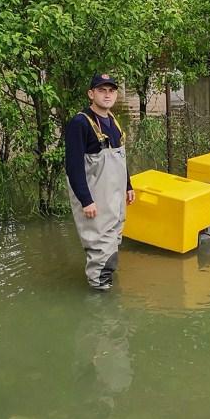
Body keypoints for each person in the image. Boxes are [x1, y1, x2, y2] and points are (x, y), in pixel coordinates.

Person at [65, 73, 135, 290]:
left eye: (111, 90)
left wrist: (128, 186)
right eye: (102, 90)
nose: (107, 95)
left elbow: (119, 158)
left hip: (114, 199)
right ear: (91, 93)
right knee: (100, 249)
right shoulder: (80, 123)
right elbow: (73, 166)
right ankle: (100, 307)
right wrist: (86, 200)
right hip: (95, 200)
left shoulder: (112, 120)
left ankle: (106, 288)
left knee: (113, 242)